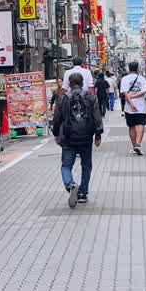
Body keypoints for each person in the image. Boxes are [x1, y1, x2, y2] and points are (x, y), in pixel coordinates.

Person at [50, 73, 103, 207]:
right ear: (82, 82)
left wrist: (56, 134)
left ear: (69, 83)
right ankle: (82, 193)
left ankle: (70, 185)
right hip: (86, 137)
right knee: (86, 165)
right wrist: (98, 134)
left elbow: (57, 118)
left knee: (66, 165)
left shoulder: (63, 98)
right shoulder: (90, 97)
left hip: (68, 137)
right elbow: (97, 117)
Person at [119, 61, 146, 155]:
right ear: (137, 68)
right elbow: (144, 92)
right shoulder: (142, 79)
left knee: (131, 126)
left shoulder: (124, 79)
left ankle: (133, 147)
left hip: (129, 107)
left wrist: (131, 103)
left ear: (128, 68)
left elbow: (125, 93)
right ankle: (138, 145)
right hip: (141, 106)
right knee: (140, 124)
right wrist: (135, 97)